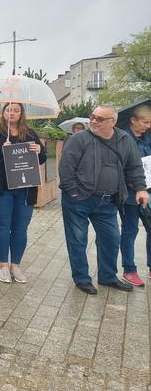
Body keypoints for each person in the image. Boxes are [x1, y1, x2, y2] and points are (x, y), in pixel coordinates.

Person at [59, 104, 149, 295]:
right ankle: (82, 279)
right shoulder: (78, 139)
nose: (93, 121)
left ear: (113, 121)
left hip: (108, 201)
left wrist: (141, 189)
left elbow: (134, 167)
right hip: (78, 200)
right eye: (93, 116)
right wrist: (73, 193)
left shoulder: (125, 139)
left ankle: (107, 276)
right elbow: (66, 168)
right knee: (78, 240)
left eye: (100, 119)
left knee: (111, 238)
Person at [0, 105, 46, 283]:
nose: (12, 113)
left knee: (20, 227)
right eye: (9, 110)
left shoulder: (30, 134)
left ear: (21, 113)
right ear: (3, 113)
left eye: (16, 110)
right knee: (2, 226)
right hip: (2, 188)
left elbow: (43, 157)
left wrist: (40, 151)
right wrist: (1, 149)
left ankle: (15, 265)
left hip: (25, 188)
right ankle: (3, 265)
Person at [119, 104, 151, 286]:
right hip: (130, 194)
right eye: (145, 122)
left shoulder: (148, 137)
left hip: (148, 191)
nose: (148, 125)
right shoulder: (122, 138)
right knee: (130, 229)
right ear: (133, 120)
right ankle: (129, 270)